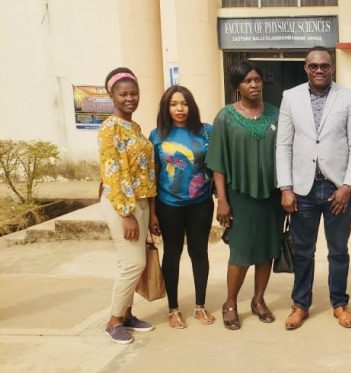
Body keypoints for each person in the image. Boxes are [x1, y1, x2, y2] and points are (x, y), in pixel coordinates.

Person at [276, 46, 351, 330]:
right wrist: (286, 187)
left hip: (336, 189)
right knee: (303, 251)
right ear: (306, 68)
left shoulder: (349, 97)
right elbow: (284, 144)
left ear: (332, 67)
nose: (319, 70)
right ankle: (300, 305)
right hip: (302, 189)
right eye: (313, 66)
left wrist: (348, 185)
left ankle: (339, 303)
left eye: (324, 66)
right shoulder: (290, 97)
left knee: (338, 250)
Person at [206, 61, 284, 330]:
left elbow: (285, 154)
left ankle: (259, 300)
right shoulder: (225, 117)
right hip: (239, 196)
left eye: (257, 80)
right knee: (240, 253)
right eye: (247, 80)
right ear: (237, 86)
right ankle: (230, 302)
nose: (253, 85)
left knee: (266, 251)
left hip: (271, 197)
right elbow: (217, 161)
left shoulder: (275, 114)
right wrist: (223, 200)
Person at [148, 85, 215, 329]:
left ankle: (200, 305)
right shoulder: (157, 136)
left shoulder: (206, 132)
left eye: (184, 103)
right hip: (169, 205)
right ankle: (173, 309)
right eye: (174, 103)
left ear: (191, 106)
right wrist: (153, 212)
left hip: (201, 204)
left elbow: (216, 167)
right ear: (167, 107)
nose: (179, 108)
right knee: (172, 254)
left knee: (199, 254)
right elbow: (152, 177)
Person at [98, 67, 157, 344]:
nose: (130, 98)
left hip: (142, 202)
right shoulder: (109, 128)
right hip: (123, 204)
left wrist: (150, 211)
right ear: (112, 95)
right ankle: (114, 320)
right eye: (123, 94)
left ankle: (128, 314)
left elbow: (146, 171)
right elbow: (114, 172)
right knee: (132, 263)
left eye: (134, 93)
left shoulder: (134, 127)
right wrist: (126, 214)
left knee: (135, 261)